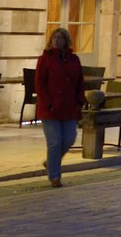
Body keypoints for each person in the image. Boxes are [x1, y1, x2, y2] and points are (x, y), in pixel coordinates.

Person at [35, 27, 85, 187]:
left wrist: (79, 101)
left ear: (66, 41)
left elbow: (80, 81)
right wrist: (48, 102)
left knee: (69, 138)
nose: (57, 41)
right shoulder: (45, 59)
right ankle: (55, 176)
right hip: (50, 108)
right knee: (55, 142)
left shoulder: (74, 59)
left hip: (69, 106)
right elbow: (40, 83)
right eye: (54, 38)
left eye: (60, 38)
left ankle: (51, 162)